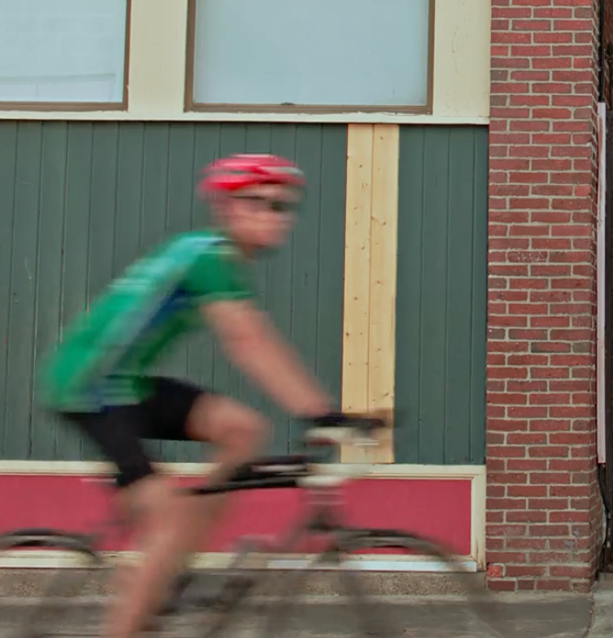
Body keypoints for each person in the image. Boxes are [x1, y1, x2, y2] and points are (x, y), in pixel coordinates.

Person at [38, 154, 370, 638]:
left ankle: (170, 565)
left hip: (127, 383)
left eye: (283, 206)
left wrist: (318, 411)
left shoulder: (221, 259)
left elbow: (252, 336)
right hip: (87, 384)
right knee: (168, 522)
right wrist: (321, 412)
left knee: (243, 431)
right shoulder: (208, 257)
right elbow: (247, 340)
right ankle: (151, 578)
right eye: (261, 203)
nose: (276, 215)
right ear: (228, 208)